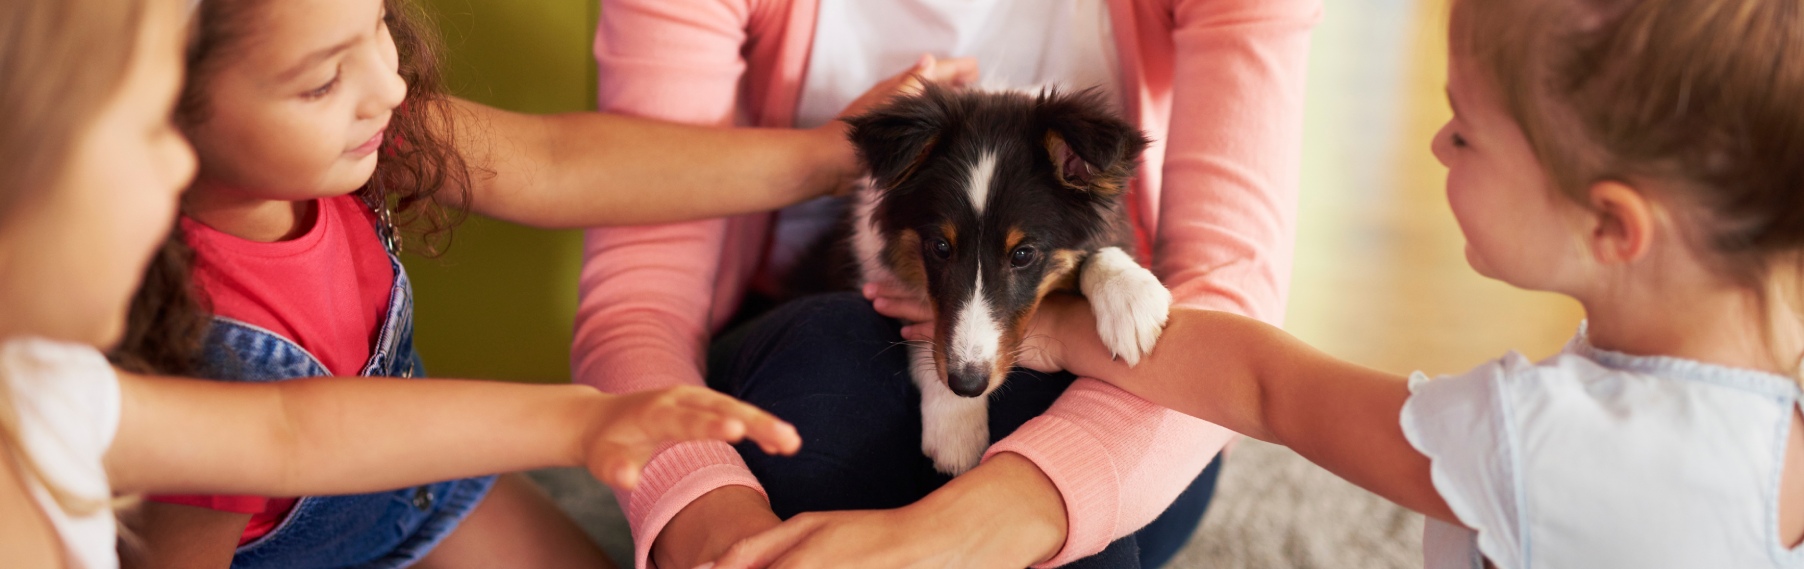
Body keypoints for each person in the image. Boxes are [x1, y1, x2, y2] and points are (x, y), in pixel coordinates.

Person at [983, 0, 1804, 567]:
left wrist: (1053, 328)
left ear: (1613, 225)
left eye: (1468, 132)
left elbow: (1269, 389)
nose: (1440, 145)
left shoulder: (1538, 438)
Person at [108, 0, 927, 567]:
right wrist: (577, 423)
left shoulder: (361, 133)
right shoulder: (192, 340)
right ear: (156, 109)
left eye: (379, 27)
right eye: (322, 80)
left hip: (419, 478)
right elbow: (290, 438)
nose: (389, 86)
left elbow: (560, 162)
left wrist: (824, 156)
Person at [575, 1, 1321, 567]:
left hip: (1108, 369)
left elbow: (1229, 292)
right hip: (819, 330)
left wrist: (999, 513)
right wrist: (706, 513)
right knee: (821, 371)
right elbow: (635, 305)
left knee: (1069, 425)